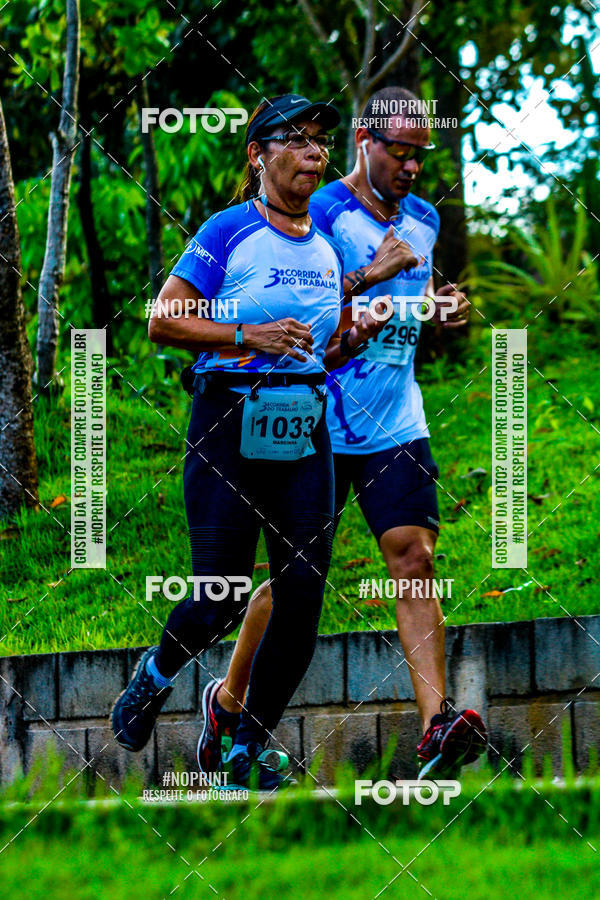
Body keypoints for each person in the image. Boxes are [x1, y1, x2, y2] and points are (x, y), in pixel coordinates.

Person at [198, 87, 488, 782]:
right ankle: (230, 708)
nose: (413, 166)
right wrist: (373, 275)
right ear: (365, 140)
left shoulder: (422, 217)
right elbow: (311, 296)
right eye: (400, 150)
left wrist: (443, 311)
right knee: (291, 579)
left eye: (421, 153)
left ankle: (436, 728)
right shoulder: (319, 205)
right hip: (316, 415)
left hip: (396, 416)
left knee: (413, 554)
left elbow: (408, 307)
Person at [111, 93, 390, 791]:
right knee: (221, 595)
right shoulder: (228, 230)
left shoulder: (326, 252)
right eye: (294, 140)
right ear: (258, 155)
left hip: (303, 428)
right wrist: (246, 336)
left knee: (302, 597)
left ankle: (244, 745)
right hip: (227, 424)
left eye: (320, 142)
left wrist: (350, 338)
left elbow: (315, 349)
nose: (312, 153)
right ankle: (155, 674)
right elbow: (163, 318)